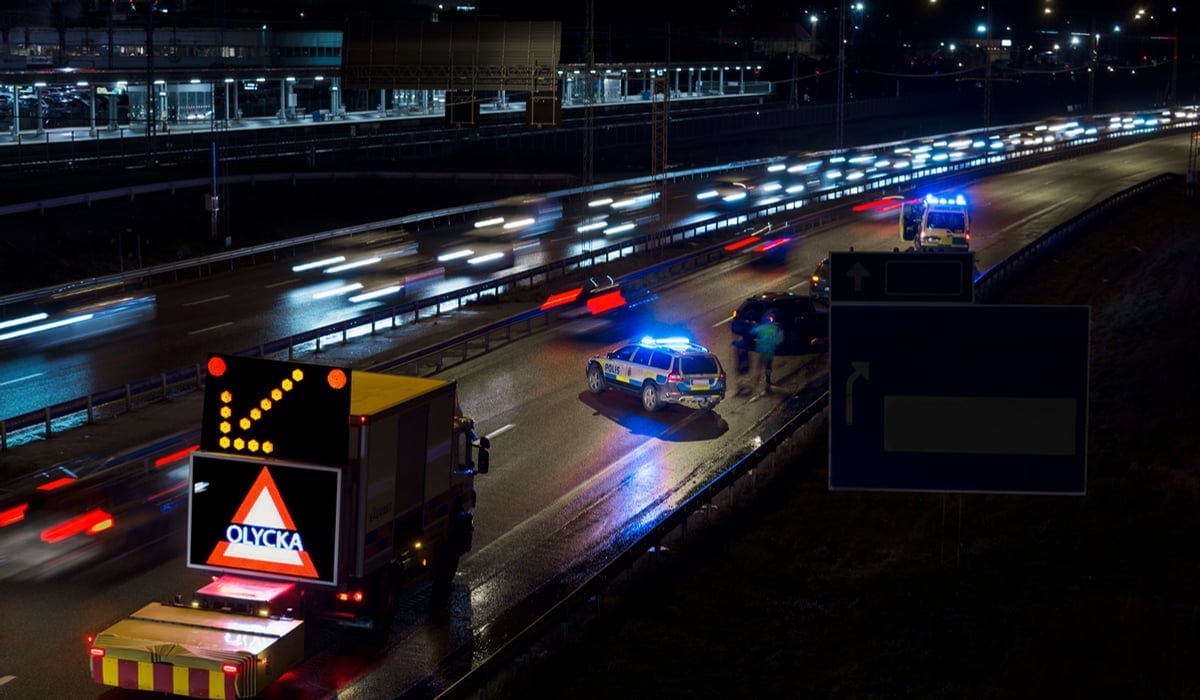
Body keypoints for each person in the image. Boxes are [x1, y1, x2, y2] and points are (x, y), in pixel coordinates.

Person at [751, 311, 784, 388]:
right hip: (770, 351)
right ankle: (768, 380)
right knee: (768, 366)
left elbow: (752, 331)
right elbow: (779, 340)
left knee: (760, 364)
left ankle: (756, 381)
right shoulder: (775, 328)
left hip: (762, 350)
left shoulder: (761, 327)